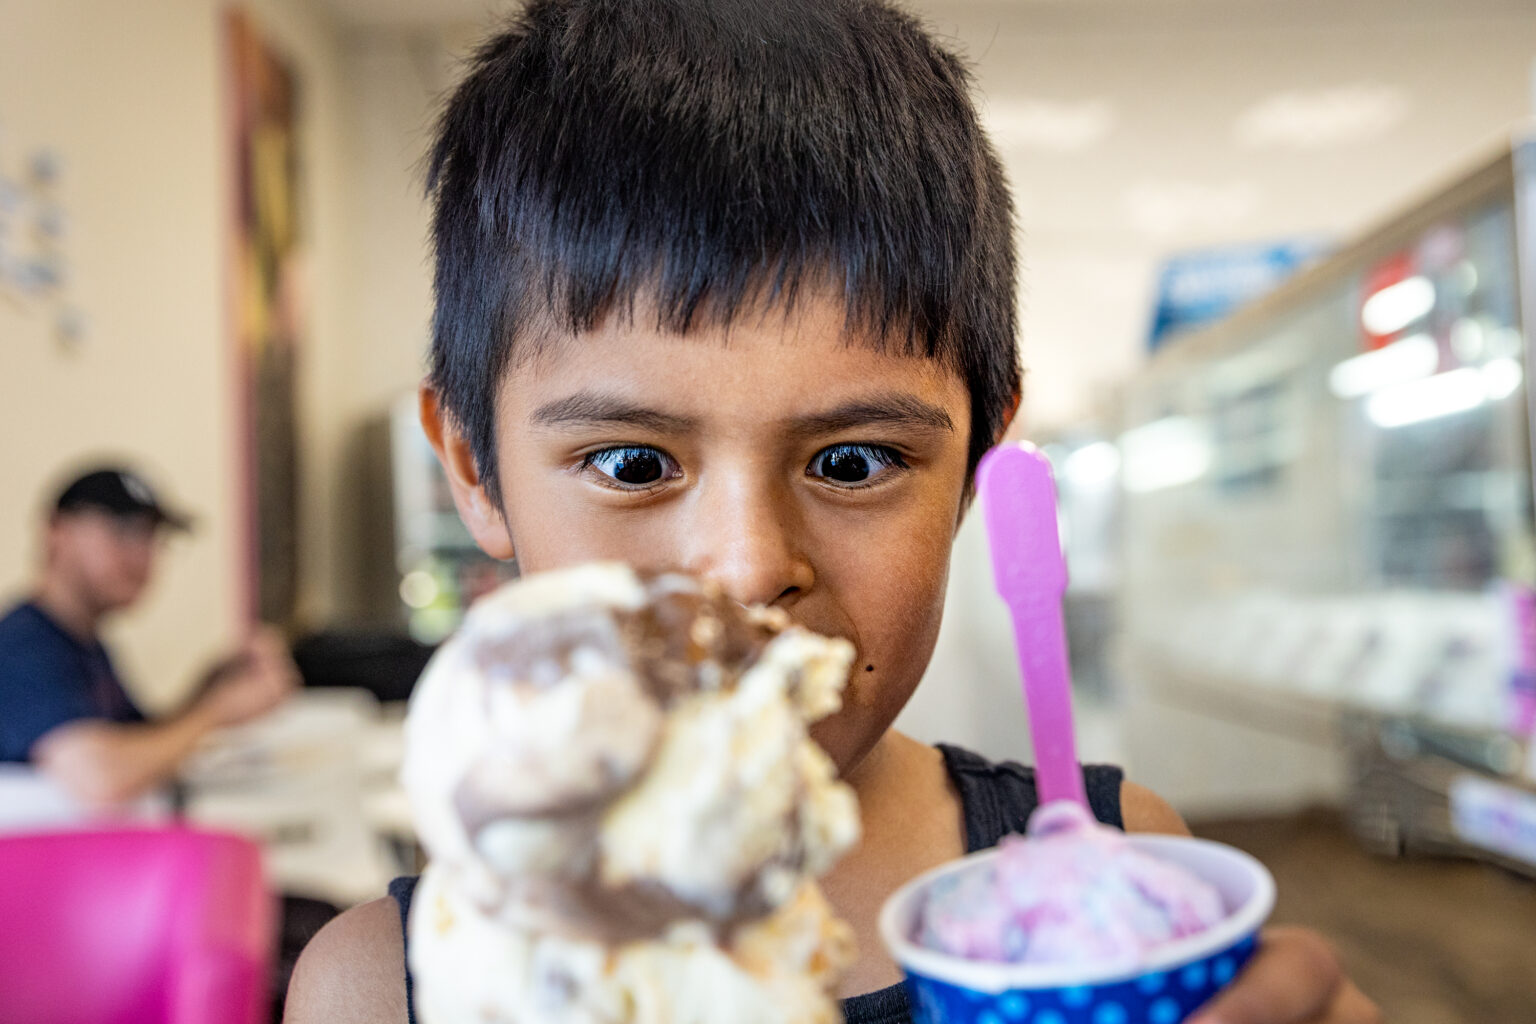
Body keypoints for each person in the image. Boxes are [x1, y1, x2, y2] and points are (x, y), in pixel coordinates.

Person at [285, 2, 1379, 1021]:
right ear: (473, 470)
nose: (750, 566)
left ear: (977, 467)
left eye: (854, 461)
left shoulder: (1126, 872)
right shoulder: (384, 986)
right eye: (629, 462)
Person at [0, 467, 298, 807]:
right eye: (123, 531)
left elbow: (141, 745)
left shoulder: (85, 644)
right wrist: (216, 712)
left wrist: (210, 688)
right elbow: (101, 780)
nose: (142, 555)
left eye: (153, 537)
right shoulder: (20, 647)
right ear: (57, 531)